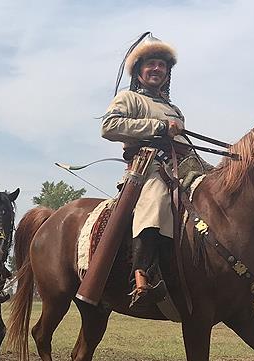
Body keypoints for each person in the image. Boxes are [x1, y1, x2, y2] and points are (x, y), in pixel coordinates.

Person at [100, 32, 209, 303]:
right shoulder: (129, 99)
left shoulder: (174, 109)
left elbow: (185, 145)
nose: (157, 68)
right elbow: (108, 127)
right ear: (139, 71)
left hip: (183, 168)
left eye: (162, 65)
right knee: (157, 199)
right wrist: (158, 127)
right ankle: (142, 275)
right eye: (151, 63)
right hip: (147, 169)